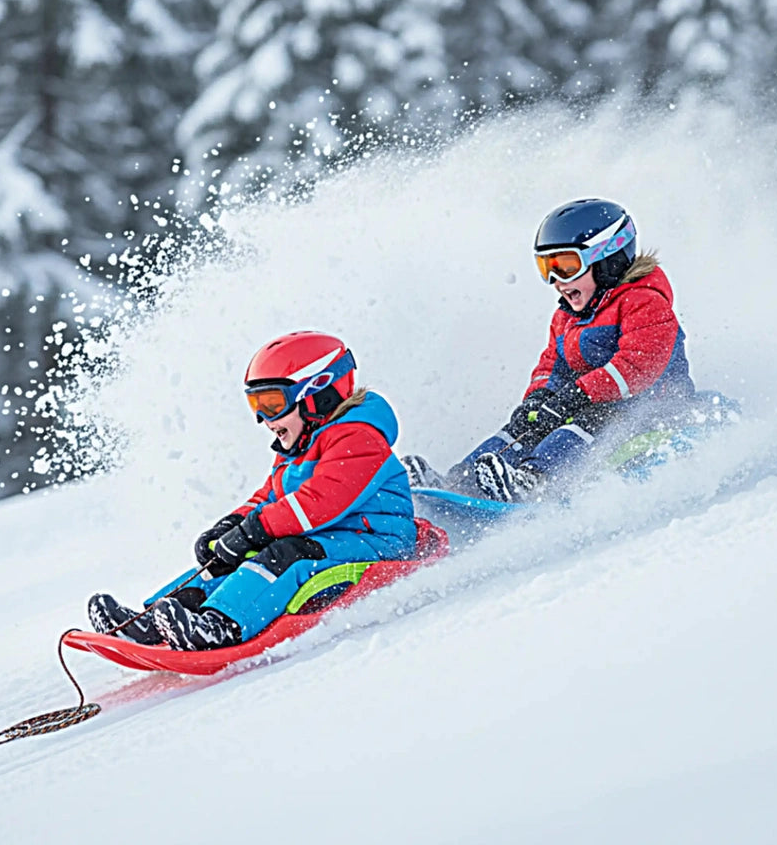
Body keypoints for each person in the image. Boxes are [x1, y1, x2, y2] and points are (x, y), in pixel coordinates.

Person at [88, 331, 418, 650]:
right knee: (228, 560)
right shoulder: (300, 443)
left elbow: (318, 503)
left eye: (272, 403)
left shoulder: (358, 438)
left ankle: (222, 625)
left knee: (285, 553)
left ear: (318, 393)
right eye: (256, 404)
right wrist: (230, 526)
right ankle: (153, 620)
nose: (263, 418)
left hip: (375, 542)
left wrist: (253, 531)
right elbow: (269, 496)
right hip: (328, 537)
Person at [403, 197, 696, 502]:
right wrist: (539, 397)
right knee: (525, 425)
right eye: (547, 268)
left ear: (608, 258)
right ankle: (459, 482)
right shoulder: (567, 316)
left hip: (647, 409)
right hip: (588, 401)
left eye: (567, 266)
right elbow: (552, 364)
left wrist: (577, 395)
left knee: (588, 422)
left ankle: (534, 482)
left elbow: (638, 367)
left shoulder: (645, 302)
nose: (556, 281)